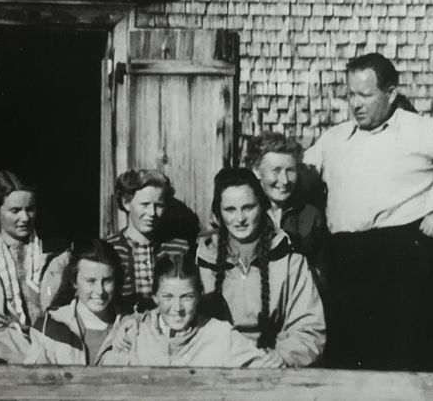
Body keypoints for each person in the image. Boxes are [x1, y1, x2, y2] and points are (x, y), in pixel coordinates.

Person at [303, 53, 433, 373]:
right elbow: (293, 178)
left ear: (391, 93)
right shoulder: (333, 140)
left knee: (403, 371)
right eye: (351, 95)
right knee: (349, 374)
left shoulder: (421, 131)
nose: (356, 104)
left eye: (366, 95)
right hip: (346, 267)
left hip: (401, 268)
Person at [195, 167, 326, 368]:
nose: (240, 219)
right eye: (230, 209)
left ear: (262, 206)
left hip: (271, 368)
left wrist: (282, 355)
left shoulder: (289, 259)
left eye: (248, 207)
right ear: (218, 213)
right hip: (218, 365)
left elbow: (309, 327)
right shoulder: (202, 258)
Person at [0, 171, 70, 363]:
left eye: (30, 209)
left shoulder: (55, 258)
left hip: (47, 356)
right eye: (15, 210)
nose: (25, 218)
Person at [98, 253, 283, 368]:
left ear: (199, 295)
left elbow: (266, 373)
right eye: (168, 297)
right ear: (154, 297)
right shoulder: (135, 334)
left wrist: (273, 363)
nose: (177, 308)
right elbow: (101, 381)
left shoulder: (219, 335)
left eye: (186, 297)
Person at [103, 170, 191, 312]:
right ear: (126, 203)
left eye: (159, 206)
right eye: (144, 204)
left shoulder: (179, 247)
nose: (151, 213)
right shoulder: (109, 248)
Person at [24, 239, 123, 365]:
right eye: (91, 281)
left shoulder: (129, 327)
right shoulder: (49, 327)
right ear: (74, 282)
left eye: (107, 281)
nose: (100, 290)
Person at [246, 132, 328, 271]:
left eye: (290, 171)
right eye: (276, 170)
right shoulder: (244, 213)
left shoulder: (311, 216)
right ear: (256, 171)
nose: (284, 180)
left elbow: (321, 271)